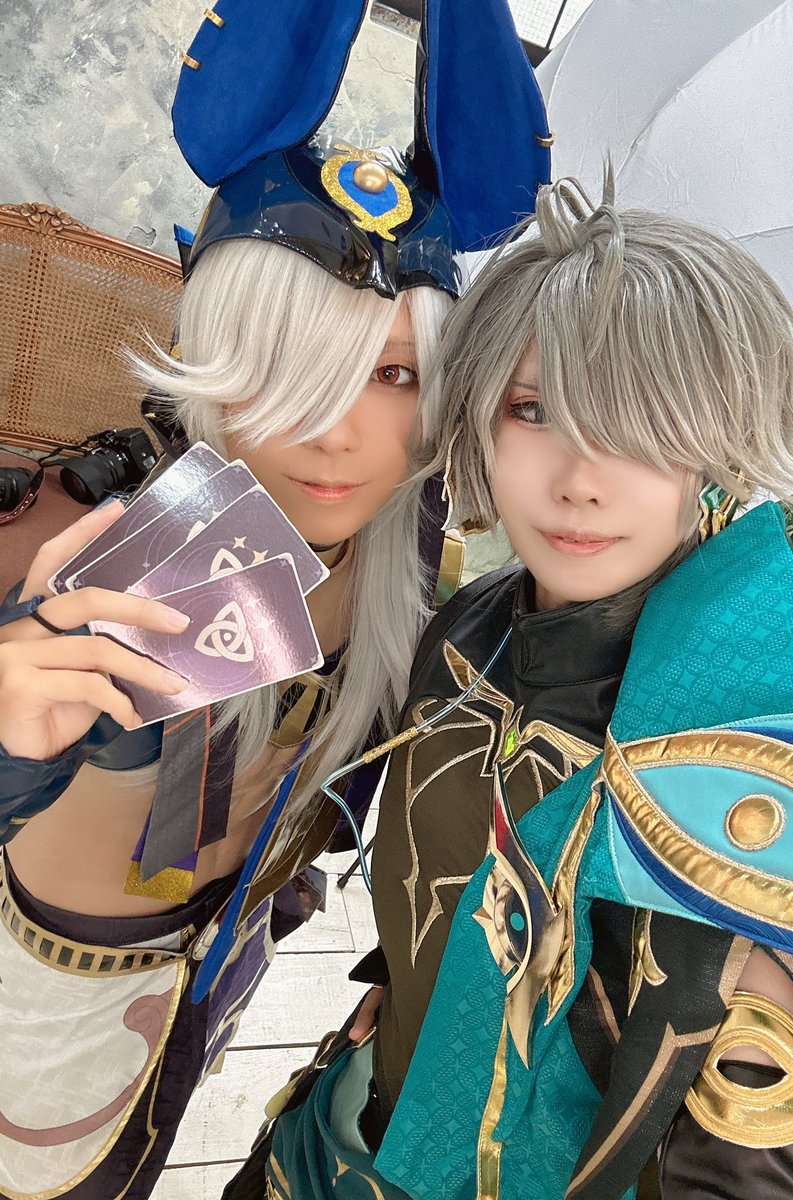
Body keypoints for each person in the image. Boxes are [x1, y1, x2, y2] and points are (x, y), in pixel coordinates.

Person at [256, 176, 793, 1200]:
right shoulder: (471, 624)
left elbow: (762, 1147)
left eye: (645, 425)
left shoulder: (753, 758)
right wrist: (400, 995)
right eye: (536, 410)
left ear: (719, 444)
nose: (581, 479)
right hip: (348, 1128)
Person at [0, 1, 550, 1196]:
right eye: (289, 366)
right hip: (41, 1003)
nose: (339, 431)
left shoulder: (405, 545)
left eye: (393, 374)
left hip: (220, 970)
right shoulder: (107, 547)